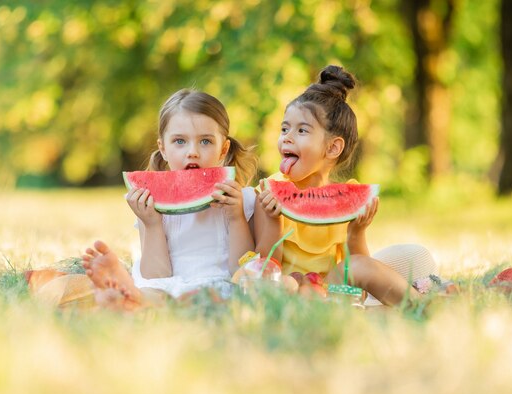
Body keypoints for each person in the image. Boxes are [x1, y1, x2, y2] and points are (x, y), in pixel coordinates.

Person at [32, 89, 257, 309]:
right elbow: (156, 275)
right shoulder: (151, 203)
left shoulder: (239, 200)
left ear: (223, 149)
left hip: (217, 288)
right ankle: (121, 288)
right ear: (163, 148)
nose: (193, 152)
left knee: (202, 299)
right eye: (180, 141)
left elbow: (242, 270)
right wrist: (152, 223)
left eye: (205, 141)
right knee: (152, 295)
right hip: (165, 288)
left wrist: (236, 217)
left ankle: (125, 293)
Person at [254, 65, 443, 307]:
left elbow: (362, 272)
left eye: (302, 130)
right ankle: (404, 304)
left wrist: (357, 234)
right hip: (288, 289)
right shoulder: (271, 190)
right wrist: (273, 222)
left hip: (334, 290)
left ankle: (422, 306)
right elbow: (261, 269)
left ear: (333, 148)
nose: (287, 137)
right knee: (279, 282)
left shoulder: (348, 195)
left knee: (392, 259)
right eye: (284, 128)